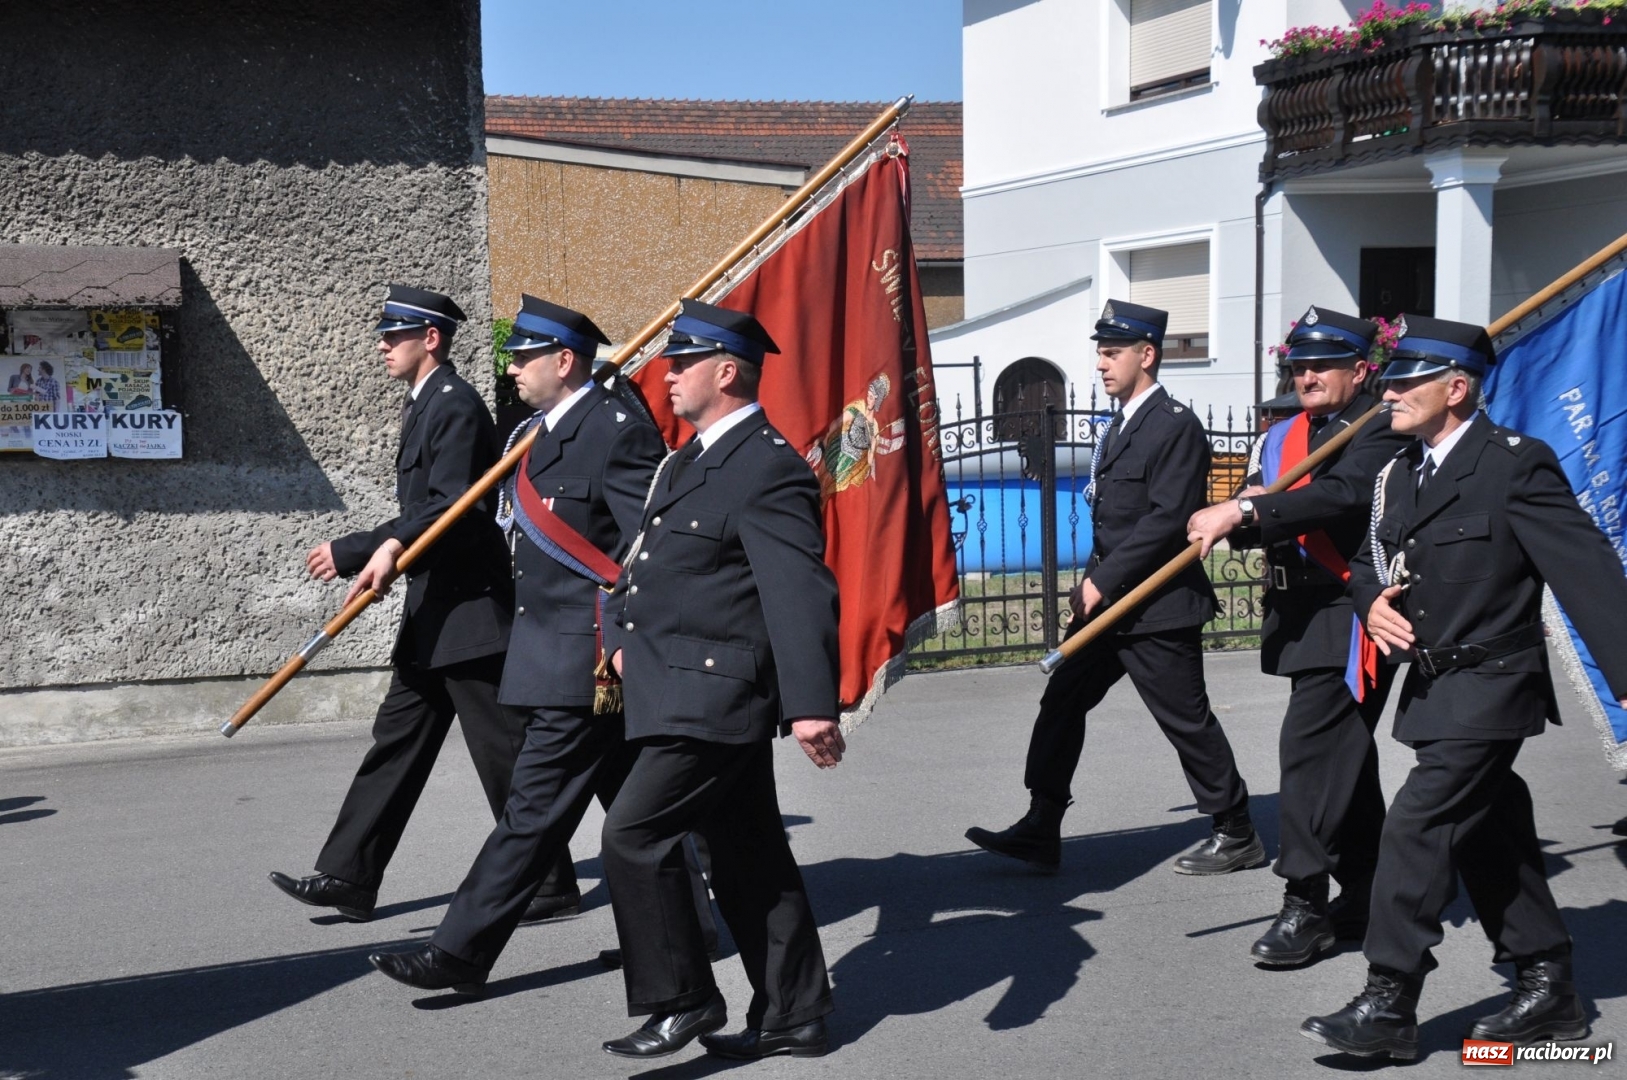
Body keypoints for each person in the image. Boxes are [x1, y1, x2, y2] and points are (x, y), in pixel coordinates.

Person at [1300, 314, 1627, 1060]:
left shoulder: (1513, 464)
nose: (1389, 395)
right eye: (1387, 382)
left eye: (1406, 382)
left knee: (1415, 827)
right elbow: (1363, 563)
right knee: (1490, 833)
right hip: (1433, 689)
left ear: (1456, 388)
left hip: (1493, 682)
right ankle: (1548, 986)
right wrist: (1369, 603)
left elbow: (1585, 568)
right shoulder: (1400, 473)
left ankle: (1388, 998)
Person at [367, 294, 671, 993]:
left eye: (525, 356)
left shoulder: (613, 430)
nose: (511, 368)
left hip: (587, 657)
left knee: (530, 812)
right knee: (635, 812)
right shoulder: (536, 430)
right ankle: (684, 932)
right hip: (550, 650)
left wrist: (623, 636)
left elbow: (643, 549)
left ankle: (459, 950)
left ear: (564, 360)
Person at [597, 298, 845, 1061]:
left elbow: (799, 590)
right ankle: (795, 1012)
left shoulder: (766, 466)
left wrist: (809, 706)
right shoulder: (687, 458)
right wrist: (618, 638)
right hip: (671, 683)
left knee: (632, 835)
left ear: (726, 371)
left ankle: (683, 999)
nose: (666, 375)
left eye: (682, 363)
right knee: (748, 854)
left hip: (716, 693)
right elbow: (644, 564)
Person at [966, 300, 1260, 875]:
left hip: (1158, 603)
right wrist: (1095, 577)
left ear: (1146, 356)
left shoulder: (1175, 424)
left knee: (1184, 718)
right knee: (1062, 700)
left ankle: (1237, 829)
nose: (1100, 364)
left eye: (1112, 353)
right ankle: (1041, 824)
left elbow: (1166, 519)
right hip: (1112, 601)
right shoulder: (1124, 422)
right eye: (1098, 353)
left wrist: (1101, 578)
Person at [269, 286, 523, 922]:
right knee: (396, 744)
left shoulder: (455, 405)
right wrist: (381, 548)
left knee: (504, 754)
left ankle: (543, 881)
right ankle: (349, 876)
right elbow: (427, 512)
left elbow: (454, 511)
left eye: (394, 335)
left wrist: (367, 546)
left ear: (430, 338)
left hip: (469, 612)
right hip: (433, 611)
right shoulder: (425, 404)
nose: (382, 345)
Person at [1187, 307, 1409, 966]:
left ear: (1358, 367)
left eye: (1322, 364)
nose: (1306, 375)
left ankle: (1305, 902)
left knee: (1308, 754)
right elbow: (1278, 514)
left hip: (1351, 611)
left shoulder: (1377, 426)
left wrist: (1249, 506)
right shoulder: (1291, 433)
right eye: (1298, 365)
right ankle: (1370, 892)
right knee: (1344, 759)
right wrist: (1235, 520)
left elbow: (1342, 495)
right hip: (1296, 609)